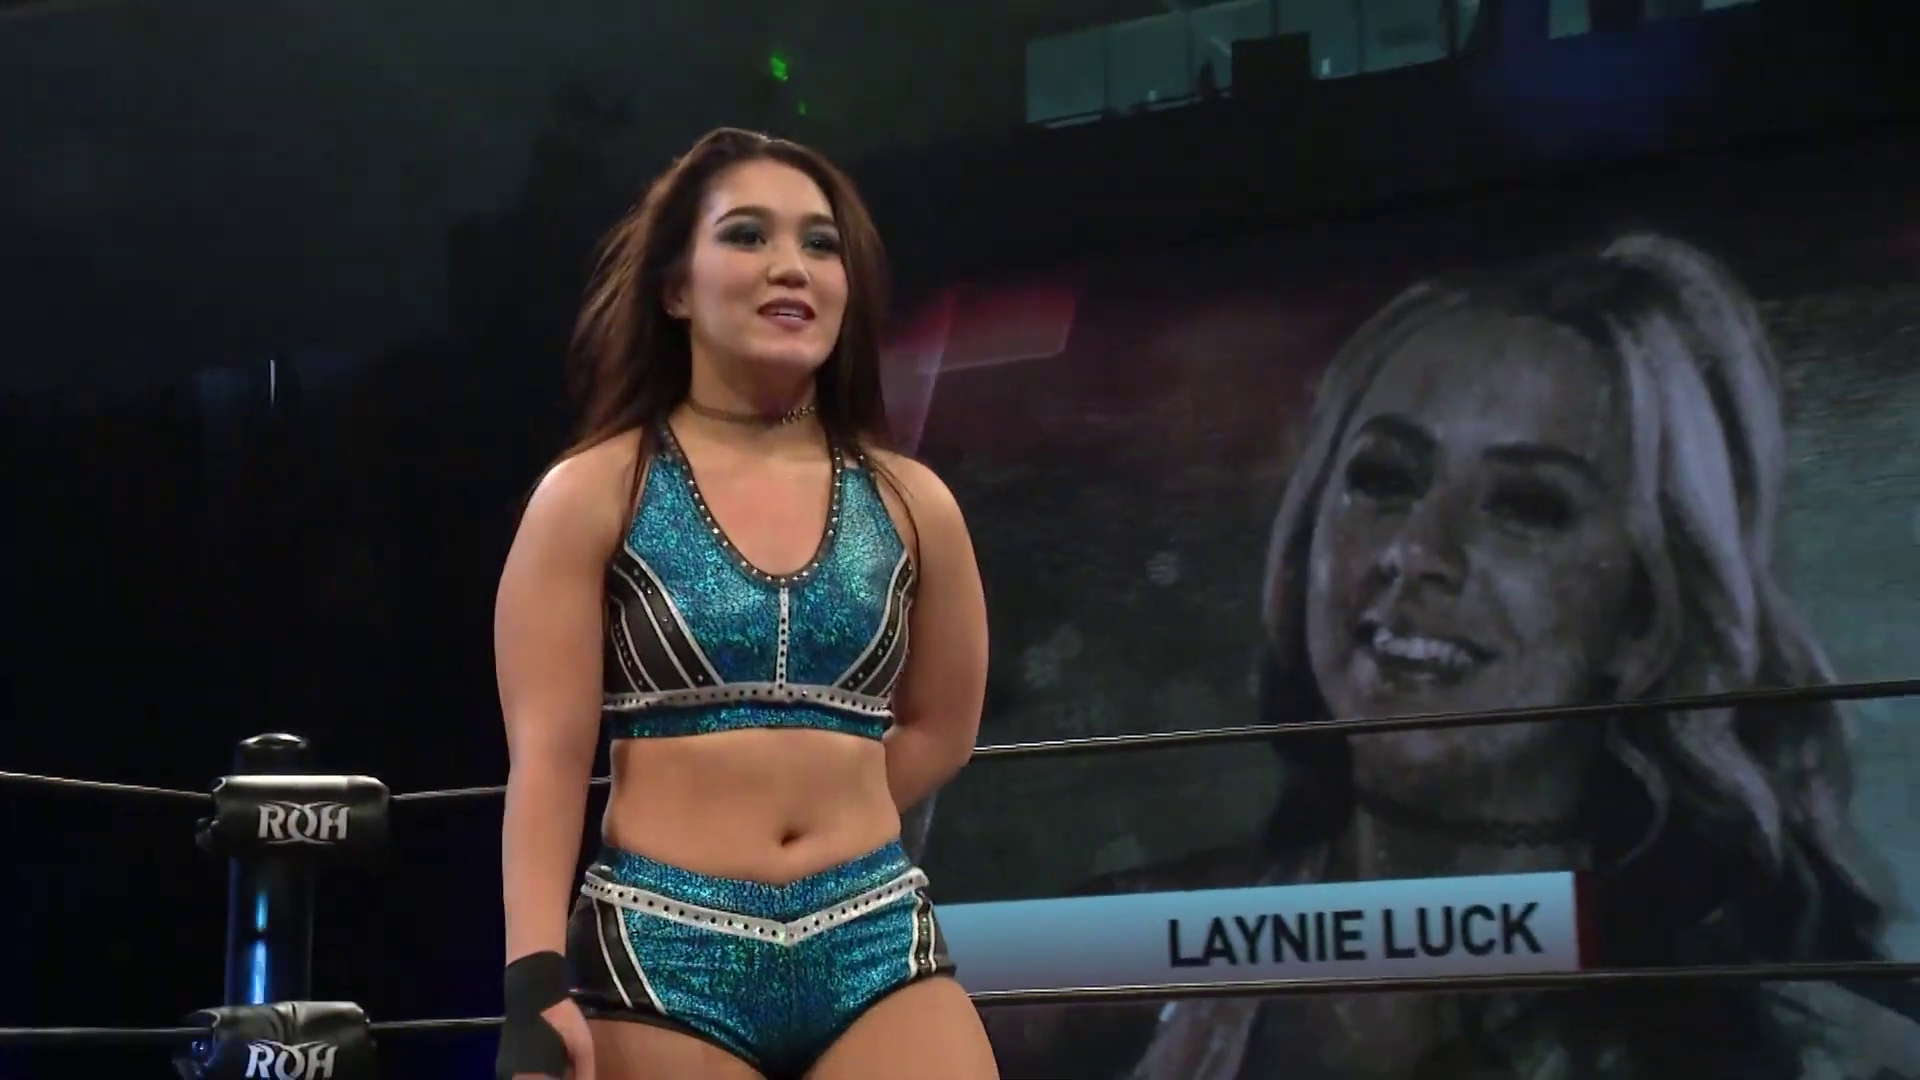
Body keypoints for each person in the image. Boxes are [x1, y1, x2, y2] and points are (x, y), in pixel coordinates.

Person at [988, 234, 1915, 1079]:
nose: (1416, 551)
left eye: (1526, 506)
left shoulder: (1803, 1046)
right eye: (1384, 479)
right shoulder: (1099, 964)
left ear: (1644, 619)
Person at [492, 128, 999, 1080]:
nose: (790, 266)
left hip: (870, 935)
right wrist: (534, 985)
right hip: (666, 946)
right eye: (747, 235)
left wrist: (827, 815)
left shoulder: (913, 502)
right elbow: (549, 756)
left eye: (820, 243)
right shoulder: (594, 493)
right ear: (676, 290)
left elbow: (944, 727)